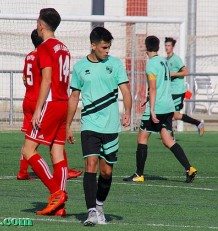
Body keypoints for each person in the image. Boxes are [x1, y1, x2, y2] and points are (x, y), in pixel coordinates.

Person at [66, 27, 132, 226]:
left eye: (109, 47)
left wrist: (128, 112)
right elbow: (74, 97)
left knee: (106, 172)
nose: (107, 51)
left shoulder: (115, 64)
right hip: (89, 124)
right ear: (93, 46)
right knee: (91, 164)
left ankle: (100, 205)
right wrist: (67, 125)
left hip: (111, 126)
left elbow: (126, 91)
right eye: (104, 47)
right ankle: (91, 212)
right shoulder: (79, 68)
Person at [123, 36, 197, 183]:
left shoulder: (151, 64)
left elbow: (153, 87)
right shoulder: (164, 61)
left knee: (142, 138)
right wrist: (149, 98)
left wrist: (152, 109)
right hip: (168, 106)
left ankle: (139, 174)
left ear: (146, 47)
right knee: (167, 140)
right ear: (157, 47)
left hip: (157, 108)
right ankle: (190, 168)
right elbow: (163, 85)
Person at [17, 29, 83, 181]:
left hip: (28, 97)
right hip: (41, 101)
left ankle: (23, 170)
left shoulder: (29, 56)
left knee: (30, 138)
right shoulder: (44, 52)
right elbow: (46, 78)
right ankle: (59, 179)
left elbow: (25, 79)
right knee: (47, 141)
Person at [22, 8, 69, 216]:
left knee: (28, 150)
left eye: (37, 22)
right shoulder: (63, 47)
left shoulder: (44, 47)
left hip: (50, 104)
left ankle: (56, 193)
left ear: (41, 25)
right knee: (57, 151)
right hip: (63, 102)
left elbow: (47, 80)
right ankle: (60, 207)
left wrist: (38, 109)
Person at [165, 37, 204, 136]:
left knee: (174, 114)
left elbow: (186, 72)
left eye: (169, 45)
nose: (167, 47)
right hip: (170, 91)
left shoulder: (176, 59)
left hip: (178, 91)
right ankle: (198, 124)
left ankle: (197, 123)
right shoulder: (166, 60)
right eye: (166, 45)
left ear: (173, 47)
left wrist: (174, 74)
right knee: (173, 114)